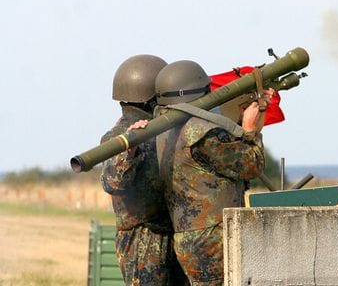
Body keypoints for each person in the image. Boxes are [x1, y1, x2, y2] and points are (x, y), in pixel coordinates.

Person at [154, 60, 271, 285]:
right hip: (212, 240)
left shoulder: (165, 131)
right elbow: (251, 165)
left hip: (190, 236)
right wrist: (250, 130)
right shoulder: (202, 133)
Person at [100, 54, 185, 285]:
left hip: (171, 231)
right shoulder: (118, 136)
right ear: (151, 97)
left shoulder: (162, 128)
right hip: (143, 238)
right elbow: (113, 182)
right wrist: (130, 149)